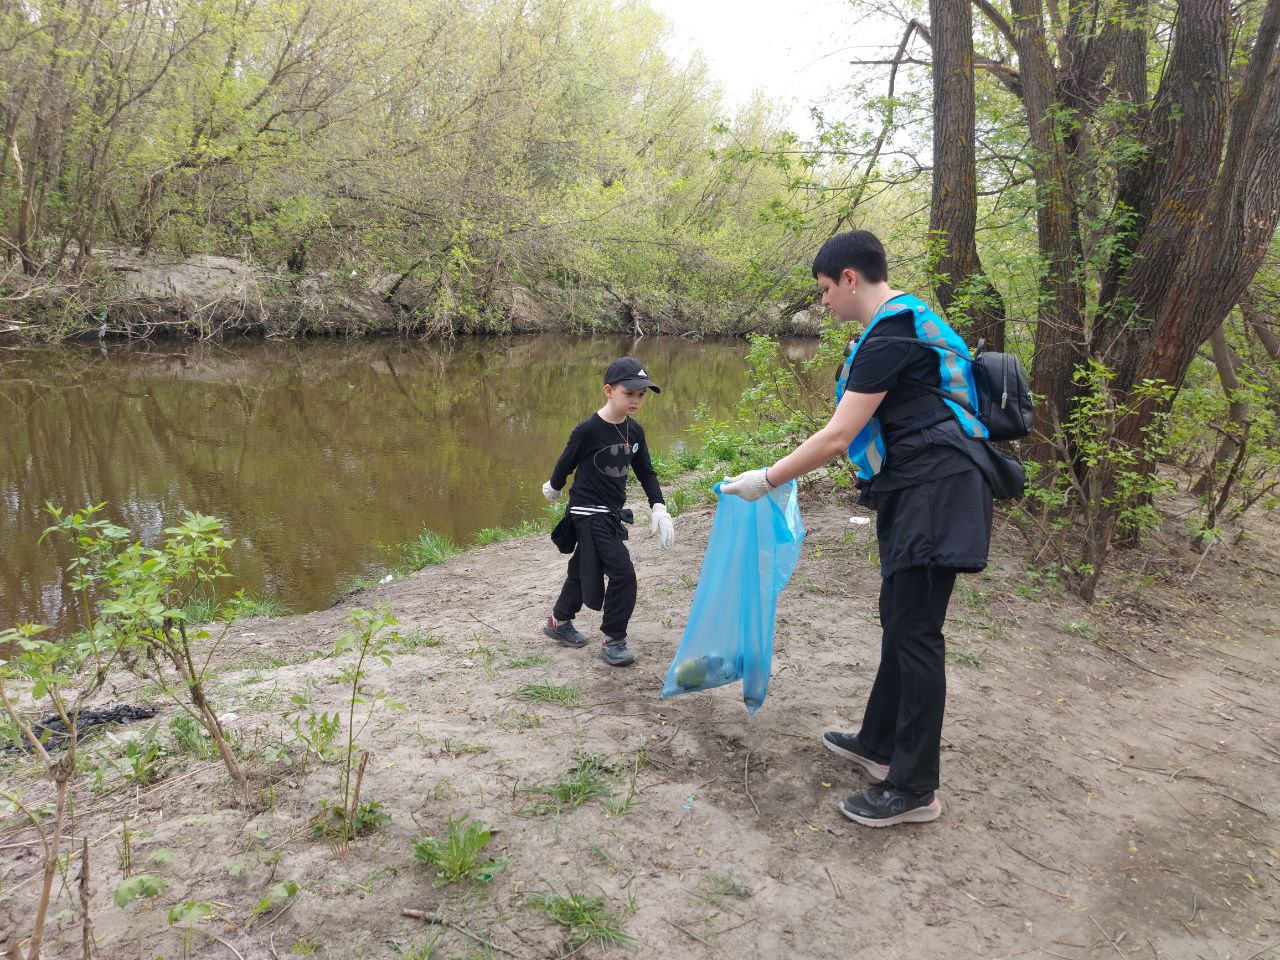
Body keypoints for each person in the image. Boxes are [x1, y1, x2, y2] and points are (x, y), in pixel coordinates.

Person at [721, 229, 997, 827]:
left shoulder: (891, 334)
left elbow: (839, 436)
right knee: (899, 619)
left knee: (917, 632)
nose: (824, 303)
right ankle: (879, 743)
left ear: (850, 278)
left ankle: (915, 788)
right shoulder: (901, 325)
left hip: (938, 494)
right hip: (918, 492)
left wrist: (767, 478)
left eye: (824, 290)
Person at [542, 356, 675, 666]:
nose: (636, 400)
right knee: (623, 574)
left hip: (611, 511)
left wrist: (659, 506)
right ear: (608, 391)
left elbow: (646, 472)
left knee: (582, 568)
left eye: (641, 395)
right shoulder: (588, 430)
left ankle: (558, 621)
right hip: (587, 512)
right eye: (629, 393)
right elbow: (566, 461)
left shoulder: (635, 432)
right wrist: (555, 485)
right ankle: (614, 640)